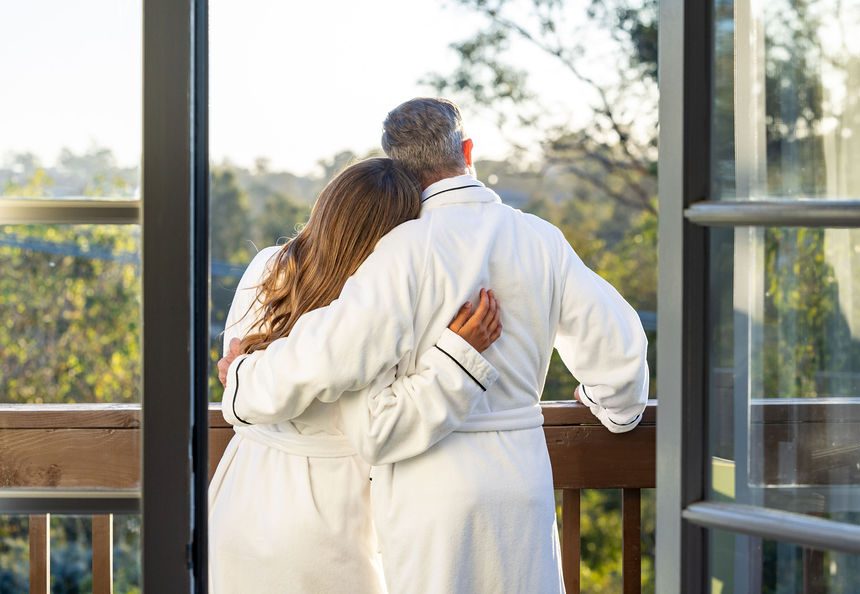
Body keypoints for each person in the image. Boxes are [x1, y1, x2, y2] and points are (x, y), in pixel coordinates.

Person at [219, 98, 649, 593]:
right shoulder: (540, 239)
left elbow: (330, 353)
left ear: (397, 171)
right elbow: (619, 352)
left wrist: (245, 381)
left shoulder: (399, 250)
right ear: (466, 150)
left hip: (430, 491)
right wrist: (617, 410)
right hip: (523, 481)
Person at [209, 157, 504, 593]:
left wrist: (240, 374)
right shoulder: (366, 313)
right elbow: (388, 421)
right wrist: (458, 359)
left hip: (240, 495)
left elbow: (233, 361)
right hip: (325, 516)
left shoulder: (268, 267)